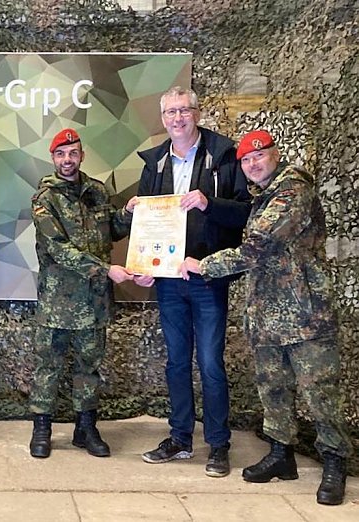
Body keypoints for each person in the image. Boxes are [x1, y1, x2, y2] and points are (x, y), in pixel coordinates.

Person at [181, 130, 352, 505]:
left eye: (259, 156)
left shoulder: (292, 190)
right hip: (268, 313)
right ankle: (281, 454)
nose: (253, 164)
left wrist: (203, 264)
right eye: (245, 160)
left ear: (276, 155)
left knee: (320, 392)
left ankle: (335, 462)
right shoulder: (264, 196)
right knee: (272, 388)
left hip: (305, 313)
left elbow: (258, 245)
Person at [122, 86, 251, 477]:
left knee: (210, 363)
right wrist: (143, 264)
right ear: (162, 119)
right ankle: (180, 437)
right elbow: (145, 224)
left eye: (183, 111)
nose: (177, 118)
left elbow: (245, 214)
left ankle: (218, 444)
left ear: (196, 113)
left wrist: (208, 203)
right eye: (170, 113)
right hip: (167, 281)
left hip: (207, 278)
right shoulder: (155, 163)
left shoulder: (223, 156)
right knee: (177, 362)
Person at [27, 128, 133, 459]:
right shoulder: (45, 200)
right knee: (48, 366)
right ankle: (41, 428)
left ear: (82, 155)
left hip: (94, 302)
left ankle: (85, 428)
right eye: (61, 154)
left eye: (73, 153)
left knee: (90, 367)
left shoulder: (98, 192)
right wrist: (106, 270)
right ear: (53, 158)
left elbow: (112, 230)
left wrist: (128, 214)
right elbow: (59, 249)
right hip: (58, 302)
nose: (67, 160)